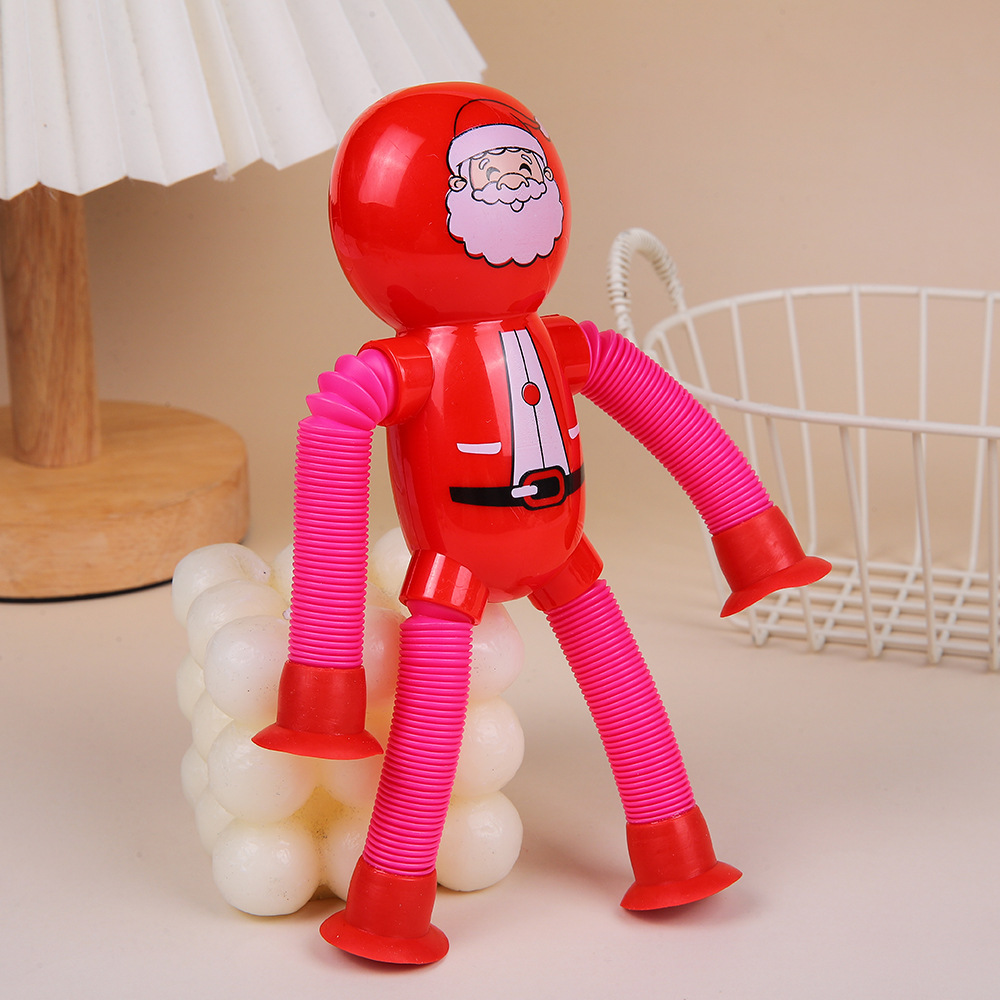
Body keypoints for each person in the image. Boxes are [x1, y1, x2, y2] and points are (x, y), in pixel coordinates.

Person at [254, 82, 830, 966]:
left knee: (623, 688)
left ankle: (674, 847)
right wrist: (326, 676)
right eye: (497, 176)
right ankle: (391, 901)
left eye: (528, 172)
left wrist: (754, 538)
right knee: (432, 730)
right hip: (453, 568)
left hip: (564, 549)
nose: (521, 189)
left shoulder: (562, 343)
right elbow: (332, 437)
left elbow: (675, 422)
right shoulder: (407, 365)